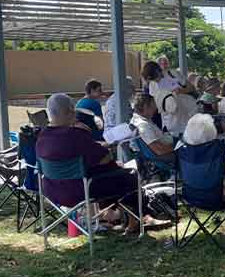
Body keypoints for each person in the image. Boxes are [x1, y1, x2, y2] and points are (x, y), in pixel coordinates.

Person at [36, 93, 148, 233]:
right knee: (129, 175)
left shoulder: (41, 137)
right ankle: (133, 220)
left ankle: (112, 216)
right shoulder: (75, 135)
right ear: (69, 112)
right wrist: (106, 148)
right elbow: (104, 159)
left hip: (52, 190)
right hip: (79, 190)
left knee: (110, 174)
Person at [131, 93, 176, 163]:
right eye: (153, 105)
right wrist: (177, 147)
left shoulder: (136, 119)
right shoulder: (143, 126)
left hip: (165, 145)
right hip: (163, 156)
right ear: (146, 107)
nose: (156, 108)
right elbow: (159, 150)